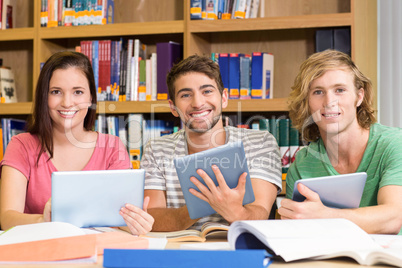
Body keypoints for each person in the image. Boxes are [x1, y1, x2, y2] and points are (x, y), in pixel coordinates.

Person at [0, 51, 154, 235]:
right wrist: (43, 219)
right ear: (44, 97)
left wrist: (134, 221)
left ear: (90, 99)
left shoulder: (112, 147)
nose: (67, 102)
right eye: (56, 92)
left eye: (78, 92)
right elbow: (7, 218)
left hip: (97, 254)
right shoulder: (21, 145)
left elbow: (120, 218)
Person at [141, 55, 282, 231]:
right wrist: (203, 203)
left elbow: (259, 215)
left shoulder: (261, 143)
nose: (198, 103)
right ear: (173, 107)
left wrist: (231, 208)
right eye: (186, 95)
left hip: (237, 249)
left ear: (224, 98)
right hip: (179, 250)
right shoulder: (156, 149)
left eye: (207, 91)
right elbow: (152, 218)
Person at [278, 50, 402, 235]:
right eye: (318, 92)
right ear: (307, 102)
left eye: (340, 90)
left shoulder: (393, 144)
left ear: (359, 96)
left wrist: (325, 216)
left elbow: (393, 218)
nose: (329, 102)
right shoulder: (302, 165)